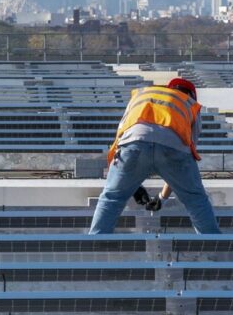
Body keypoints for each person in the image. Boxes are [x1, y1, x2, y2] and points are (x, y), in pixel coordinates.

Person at [89, 78, 220, 234]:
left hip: (133, 145)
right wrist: (162, 198)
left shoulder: (141, 96)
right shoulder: (189, 104)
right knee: (195, 200)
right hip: (173, 149)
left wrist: (134, 187)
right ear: (191, 95)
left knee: (112, 198)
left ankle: (96, 240)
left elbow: (119, 141)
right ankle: (213, 244)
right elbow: (185, 154)